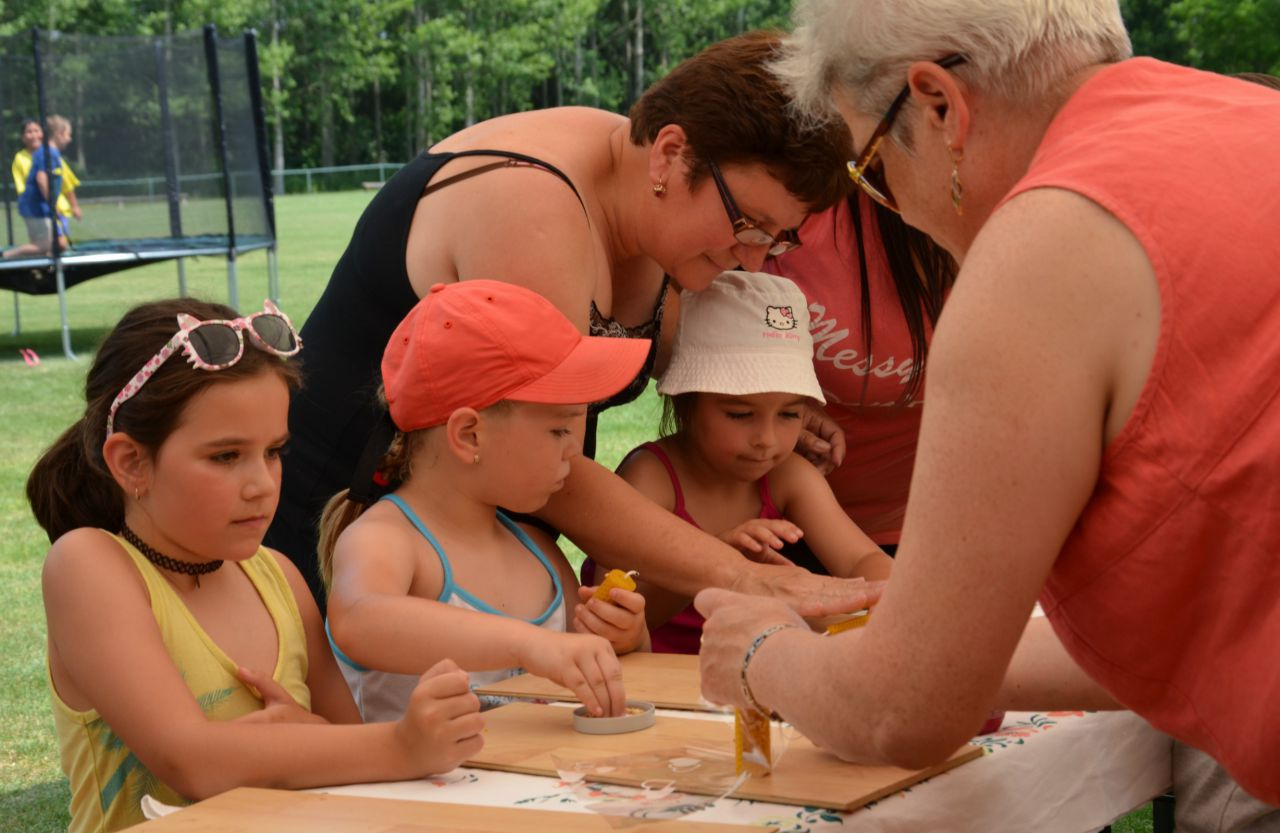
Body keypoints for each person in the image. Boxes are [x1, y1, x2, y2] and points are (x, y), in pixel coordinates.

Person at [696, 0, 1280, 830]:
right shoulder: (1247, 119)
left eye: (872, 170)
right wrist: (947, 654)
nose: (890, 204)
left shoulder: (1044, 243)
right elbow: (1209, 624)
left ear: (939, 105)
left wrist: (762, 653)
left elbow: (903, 712)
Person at [265, 30, 877, 621]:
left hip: (481, 537)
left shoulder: (646, 199)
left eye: (777, 238)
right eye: (747, 224)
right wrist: (744, 575)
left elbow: (672, 358)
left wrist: (763, 407)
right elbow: (540, 452)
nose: (753, 258)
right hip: (347, 527)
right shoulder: (530, 206)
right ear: (671, 153)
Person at [26, 298, 484, 833]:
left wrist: (308, 735)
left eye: (274, 452)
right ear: (131, 463)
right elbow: (191, 760)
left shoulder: (279, 578)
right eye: (226, 456)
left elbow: (347, 748)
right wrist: (400, 745)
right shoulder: (88, 567)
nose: (263, 485)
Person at [321, 280, 651, 722]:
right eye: (558, 429)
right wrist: (527, 644)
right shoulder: (385, 540)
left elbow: (596, 681)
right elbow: (359, 621)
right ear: (469, 435)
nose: (574, 450)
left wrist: (625, 640)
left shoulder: (539, 554)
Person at [583, 271, 892, 653]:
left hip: (751, 671)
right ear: (686, 402)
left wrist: (886, 599)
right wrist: (713, 564)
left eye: (789, 414)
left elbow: (862, 558)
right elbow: (613, 614)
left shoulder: (787, 475)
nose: (767, 439)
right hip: (657, 675)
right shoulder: (652, 477)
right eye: (740, 414)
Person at [765, 193, 956, 559]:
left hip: (935, 528)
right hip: (771, 524)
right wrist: (768, 397)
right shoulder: (809, 204)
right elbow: (688, 310)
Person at [3, 115, 76, 259]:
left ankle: (46, 268)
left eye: (37, 130)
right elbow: (41, 179)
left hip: (44, 209)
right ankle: (7, 255)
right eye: (68, 135)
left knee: (58, 245)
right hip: (36, 209)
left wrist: (72, 205)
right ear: (59, 134)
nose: (70, 139)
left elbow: (66, 181)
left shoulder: (47, 153)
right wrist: (52, 203)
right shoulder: (48, 154)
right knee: (46, 245)